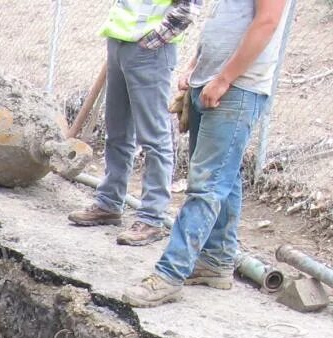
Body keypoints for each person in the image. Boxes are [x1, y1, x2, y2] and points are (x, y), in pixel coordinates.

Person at [124, 0, 290, 307]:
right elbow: (225, 20)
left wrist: (225, 79)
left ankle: (169, 274)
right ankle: (215, 260)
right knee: (226, 177)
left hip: (237, 88)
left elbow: (266, 23)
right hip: (212, 81)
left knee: (207, 184)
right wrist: (195, 68)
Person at [68, 1, 201, 246]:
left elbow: (188, 9)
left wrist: (151, 41)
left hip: (149, 50)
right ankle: (109, 202)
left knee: (154, 138)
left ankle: (151, 218)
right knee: (117, 132)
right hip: (120, 42)